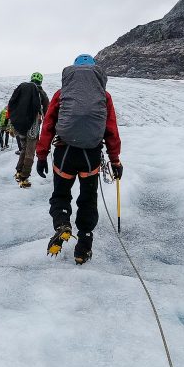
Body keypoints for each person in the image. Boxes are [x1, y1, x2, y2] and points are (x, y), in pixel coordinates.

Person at [36, 54, 124, 264]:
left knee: (61, 194)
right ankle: (83, 246)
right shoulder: (104, 95)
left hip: (65, 152)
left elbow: (48, 125)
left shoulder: (62, 93)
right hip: (90, 155)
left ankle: (62, 224)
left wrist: (41, 155)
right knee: (88, 199)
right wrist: (115, 161)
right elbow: (110, 129)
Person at [7, 72, 49, 187]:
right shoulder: (41, 93)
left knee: (24, 149)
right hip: (33, 127)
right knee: (30, 152)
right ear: (41, 81)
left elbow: (12, 105)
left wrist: (12, 124)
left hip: (20, 126)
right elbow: (48, 112)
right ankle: (24, 177)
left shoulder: (22, 89)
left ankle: (19, 172)